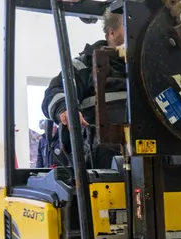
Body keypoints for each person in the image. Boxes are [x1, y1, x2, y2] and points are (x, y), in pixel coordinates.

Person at [41, 9, 127, 169]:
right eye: (127, 25)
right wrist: (66, 110)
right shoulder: (83, 67)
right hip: (100, 166)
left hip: (153, 160)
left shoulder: (150, 70)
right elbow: (54, 92)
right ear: (112, 33)